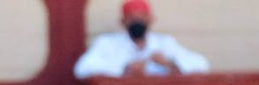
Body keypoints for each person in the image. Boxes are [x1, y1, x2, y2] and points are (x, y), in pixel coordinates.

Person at [73, 0, 209, 80]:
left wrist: (170, 64)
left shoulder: (165, 43)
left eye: (142, 17)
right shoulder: (107, 43)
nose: (137, 21)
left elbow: (202, 65)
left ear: (151, 19)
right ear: (123, 22)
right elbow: (82, 69)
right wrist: (125, 69)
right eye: (132, 17)